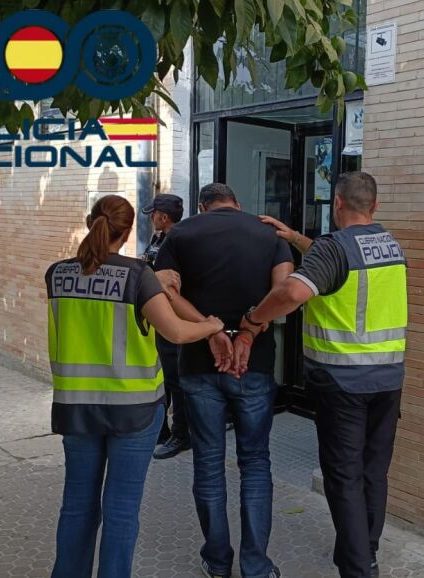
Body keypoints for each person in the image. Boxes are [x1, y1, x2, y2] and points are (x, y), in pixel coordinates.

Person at [46, 194, 224, 578]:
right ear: (127, 233)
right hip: (134, 410)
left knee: (76, 505)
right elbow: (176, 332)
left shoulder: (56, 274)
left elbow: (95, 281)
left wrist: (150, 280)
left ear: (90, 222)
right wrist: (212, 325)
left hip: (76, 408)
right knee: (121, 509)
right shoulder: (137, 276)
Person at [240, 172, 407, 578]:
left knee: (343, 477)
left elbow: (293, 293)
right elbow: (343, 265)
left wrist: (253, 320)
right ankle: (365, 552)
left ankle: (358, 569)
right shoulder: (390, 244)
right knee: (372, 473)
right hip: (387, 380)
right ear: (375, 206)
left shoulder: (334, 248)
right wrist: (297, 238)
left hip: (342, 382)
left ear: (337, 203)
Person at [154, 183, 293, 578]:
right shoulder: (267, 233)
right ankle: (256, 567)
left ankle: (217, 563)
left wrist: (211, 330)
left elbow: (165, 290)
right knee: (255, 463)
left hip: (200, 364)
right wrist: (248, 332)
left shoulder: (181, 233)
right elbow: (285, 291)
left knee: (209, 463)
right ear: (237, 204)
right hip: (254, 365)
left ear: (202, 207)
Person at [139, 193, 191, 459]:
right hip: (158, 316)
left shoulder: (180, 241)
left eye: (154, 214)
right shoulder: (159, 238)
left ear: (164, 216)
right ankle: (161, 430)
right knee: (163, 377)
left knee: (175, 379)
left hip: (172, 316)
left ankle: (182, 435)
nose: (151, 218)